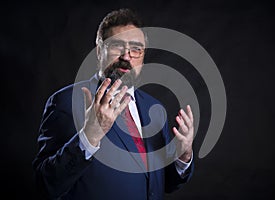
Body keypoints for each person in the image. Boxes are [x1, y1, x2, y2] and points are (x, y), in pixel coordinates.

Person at [32, 8, 194, 200]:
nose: (127, 57)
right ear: (100, 50)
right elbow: (46, 185)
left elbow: (163, 183)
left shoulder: (155, 109)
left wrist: (183, 156)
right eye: (117, 45)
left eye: (136, 49)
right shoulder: (65, 102)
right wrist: (88, 137)